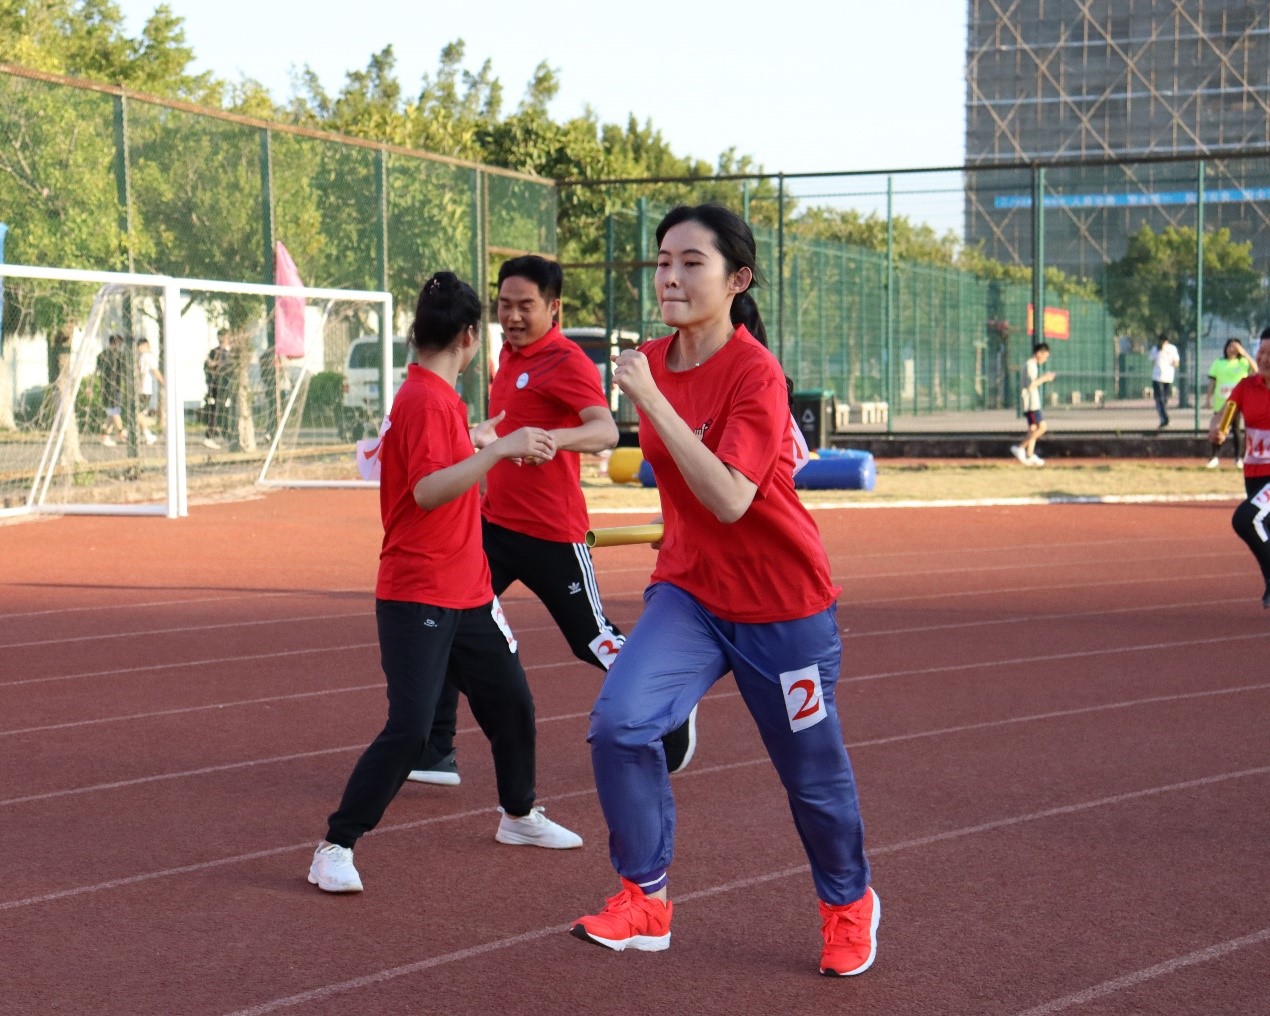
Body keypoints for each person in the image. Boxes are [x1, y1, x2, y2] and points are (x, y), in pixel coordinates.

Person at [568, 204, 878, 978]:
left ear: (737, 280)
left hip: (783, 607)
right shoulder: (651, 360)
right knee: (620, 726)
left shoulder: (754, 373)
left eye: (690, 262)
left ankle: (848, 904)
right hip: (691, 595)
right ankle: (644, 898)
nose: (669, 277)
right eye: (662, 262)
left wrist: (655, 402)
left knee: (812, 778)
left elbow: (732, 497)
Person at [308, 272, 583, 895]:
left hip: (469, 591)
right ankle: (336, 845)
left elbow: (436, 461)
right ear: (468, 337)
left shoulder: (435, 398)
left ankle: (519, 815)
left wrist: (475, 438)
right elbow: (429, 490)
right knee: (409, 730)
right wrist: (497, 450)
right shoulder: (427, 400)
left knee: (512, 705)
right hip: (418, 593)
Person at [409, 255, 697, 787]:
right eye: (504, 305)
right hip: (494, 527)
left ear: (554, 307)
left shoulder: (566, 361)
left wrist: (549, 440)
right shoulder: (504, 354)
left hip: (552, 534)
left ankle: (667, 701)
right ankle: (434, 750)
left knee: (591, 639)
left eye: (526, 306)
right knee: (448, 622)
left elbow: (605, 430)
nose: (513, 317)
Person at [1209, 326, 1270, 609]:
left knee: (1246, 519)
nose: (1264, 358)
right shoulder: (1246, 386)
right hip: (1254, 473)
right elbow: (1223, 415)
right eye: (1261, 352)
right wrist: (1216, 430)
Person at [1204, 339, 1255, 468]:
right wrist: (1208, 399)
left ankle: (1238, 458)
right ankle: (1214, 457)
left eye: (1235, 347)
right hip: (1221, 404)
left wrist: (1244, 354)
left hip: (1236, 404)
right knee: (1218, 430)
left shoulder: (1243, 363)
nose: (1232, 349)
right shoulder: (1218, 362)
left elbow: (1256, 370)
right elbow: (1212, 381)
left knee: (1236, 430)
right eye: (1230, 346)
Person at [1010, 343, 1054, 466]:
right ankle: (1020, 448)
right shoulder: (1030, 365)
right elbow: (1031, 385)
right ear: (1039, 353)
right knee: (1042, 427)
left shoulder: (1031, 365)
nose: (1045, 359)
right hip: (1031, 404)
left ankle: (1029, 455)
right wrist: (1044, 378)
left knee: (1033, 429)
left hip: (1031, 403)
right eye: (1045, 356)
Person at [202, 333, 233, 449]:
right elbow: (210, 365)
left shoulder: (226, 352)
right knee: (216, 410)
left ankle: (224, 434)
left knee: (222, 409)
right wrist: (215, 366)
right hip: (218, 385)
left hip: (224, 385)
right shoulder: (217, 352)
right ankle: (209, 436)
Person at [98, 334, 127, 447]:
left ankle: (105, 437)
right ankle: (122, 433)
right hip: (114, 388)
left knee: (111, 413)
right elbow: (125, 372)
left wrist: (90, 385)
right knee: (114, 412)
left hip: (105, 387)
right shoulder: (119, 355)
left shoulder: (102, 354)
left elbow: (96, 370)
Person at [135, 338, 164, 446]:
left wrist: (163, 381)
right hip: (142, 389)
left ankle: (147, 435)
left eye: (141, 346)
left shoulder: (148, 357)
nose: (139, 349)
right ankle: (144, 434)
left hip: (145, 390)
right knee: (139, 413)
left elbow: (155, 370)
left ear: (146, 346)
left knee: (138, 413)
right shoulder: (142, 357)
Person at [1150, 332, 1181, 428]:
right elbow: (1152, 360)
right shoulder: (1156, 349)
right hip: (1157, 378)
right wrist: (1160, 351)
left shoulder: (1172, 348)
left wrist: (1173, 363)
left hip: (1168, 377)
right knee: (1159, 399)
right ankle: (1164, 419)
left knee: (1164, 400)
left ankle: (1164, 418)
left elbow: (1176, 362)